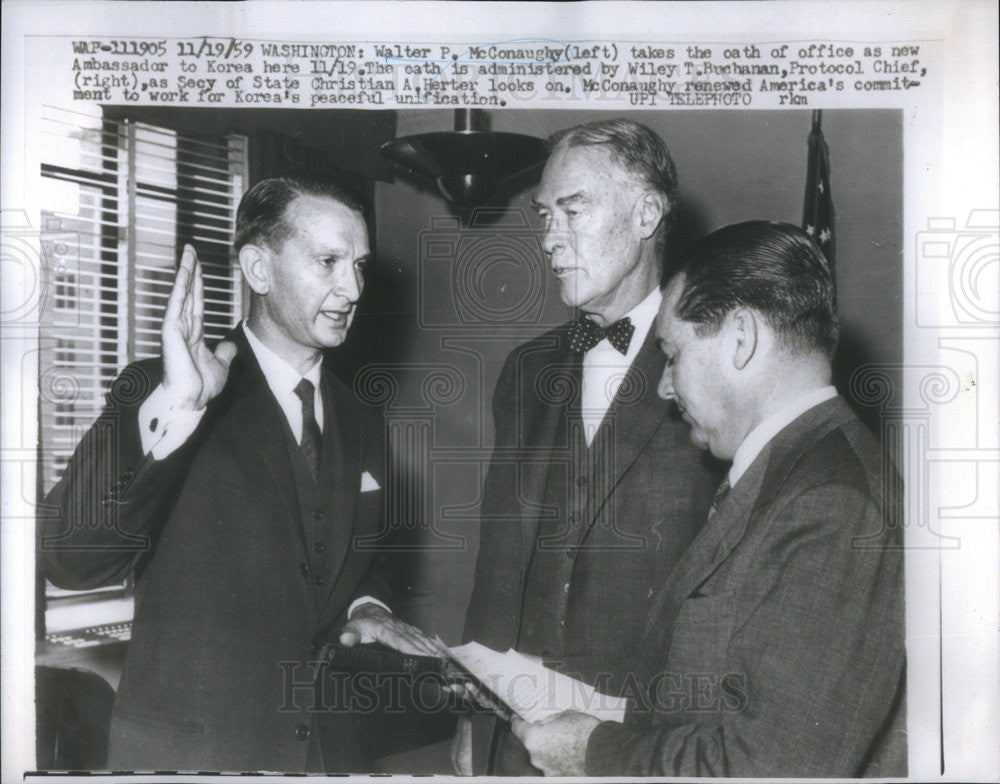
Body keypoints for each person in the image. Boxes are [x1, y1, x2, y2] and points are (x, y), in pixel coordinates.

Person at [40, 174, 441, 772]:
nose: (352, 287)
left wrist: (367, 606)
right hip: (195, 755)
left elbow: (366, 552)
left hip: (330, 756)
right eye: (328, 262)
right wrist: (182, 405)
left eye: (359, 265)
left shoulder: (362, 418)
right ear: (257, 268)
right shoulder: (164, 389)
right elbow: (71, 558)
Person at [511, 221, 907, 777]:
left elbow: (774, 768)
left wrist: (592, 751)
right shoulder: (792, 473)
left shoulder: (834, 504)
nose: (664, 386)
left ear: (741, 339)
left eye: (672, 355)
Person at [456, 119, 721, 774]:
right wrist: (472, 722)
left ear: (646, 213)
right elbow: (497, 565)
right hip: (511, 736)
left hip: (638, 746)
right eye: (544, 217)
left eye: (573, 212)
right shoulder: (526, 371)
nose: (549, 240)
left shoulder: (714, 365)